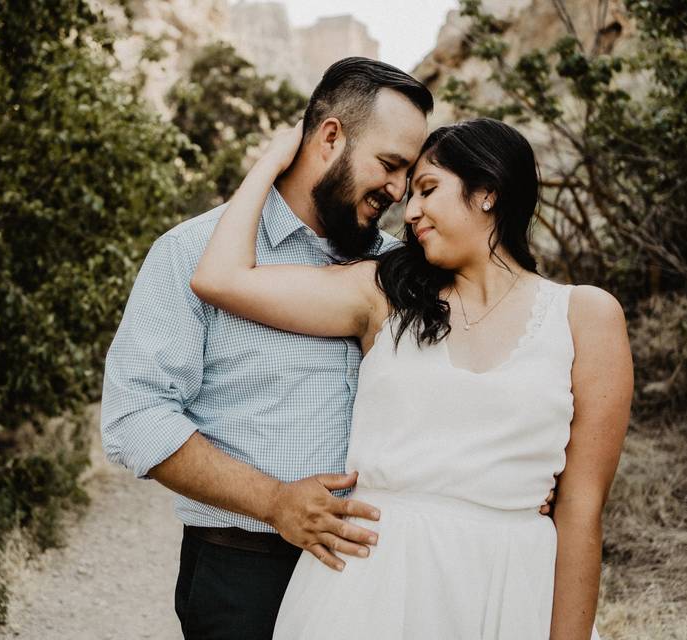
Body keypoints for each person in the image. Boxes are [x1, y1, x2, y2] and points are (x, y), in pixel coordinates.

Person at [190, 117, 633, 639]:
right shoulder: (384, 292)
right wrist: (272, 160)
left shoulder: (585, 316)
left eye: (428, 189)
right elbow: (217, 279)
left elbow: (581, 510)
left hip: (510, 588)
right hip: (372, 587)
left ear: (488, 191)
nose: (411, 209)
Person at [100, 57, 435, 639]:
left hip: (378, 569)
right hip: (243, 574)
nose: (400, 192)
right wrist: (275, 501)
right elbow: (136, 417)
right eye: (390, 165)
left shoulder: (398, 270)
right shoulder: (190, 252)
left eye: (410, 174)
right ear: (330, 137)